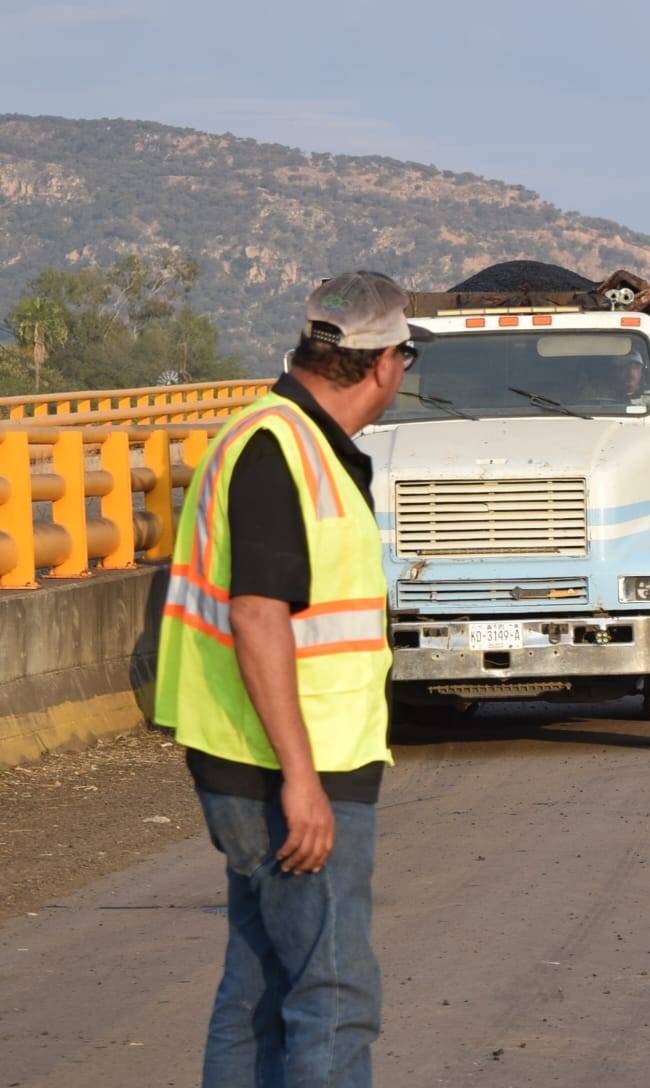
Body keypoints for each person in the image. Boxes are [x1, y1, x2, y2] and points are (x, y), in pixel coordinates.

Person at [154, 271, 425, 1086]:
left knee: (261, 984)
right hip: (293, 769)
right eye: (407, 354)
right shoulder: (280, 449)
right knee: (335, 992)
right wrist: (302, 781)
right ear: (383, 364)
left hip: (249, 754)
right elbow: (259, 616)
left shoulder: (274, 437)